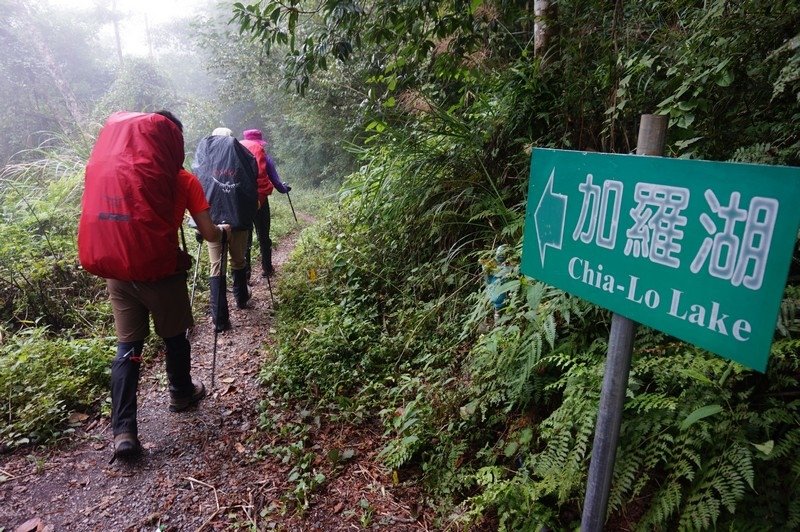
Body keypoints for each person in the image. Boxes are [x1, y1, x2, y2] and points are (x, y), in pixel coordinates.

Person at [82, 110, 232, 460]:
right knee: (174, 335)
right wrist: (222, 231)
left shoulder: (115, 174)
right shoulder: (182, 180)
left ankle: (124, 432)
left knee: (128, 347)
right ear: (171, 142)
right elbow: (208, 233)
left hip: (118, 271)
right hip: (160, 272)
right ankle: (181, 392)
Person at [192, 127, 259, 331]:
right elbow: (250, 189)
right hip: (238, 220)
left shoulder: (204, 158)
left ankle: (220, 320)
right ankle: (241, 299)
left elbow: (198, 187)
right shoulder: (242, 156)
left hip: (211, 221)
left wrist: (198, 224)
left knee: (216, 265)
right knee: (238, 260)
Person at [240, 129, 291, 278]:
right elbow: (276, 183)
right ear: (260, 142)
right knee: (263, 236)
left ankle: (246, 274)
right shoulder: (264, 157)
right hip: (260, 201)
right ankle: (267, 269)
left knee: (246, 239)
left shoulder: (236, 156)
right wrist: (285, 188)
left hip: (242, 203)